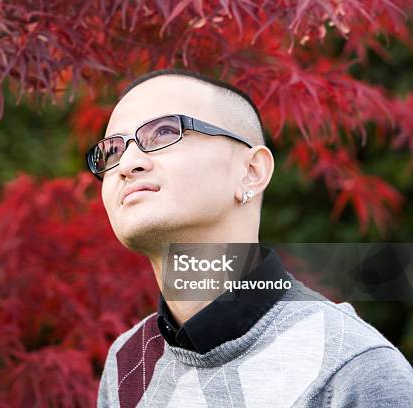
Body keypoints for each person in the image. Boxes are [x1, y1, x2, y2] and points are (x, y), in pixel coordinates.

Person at [87, 69, 413, 407]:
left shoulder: (350, 368)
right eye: (112, 151)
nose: (126, 164)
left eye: (165, 132)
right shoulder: (129, 362)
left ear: (252, 171)